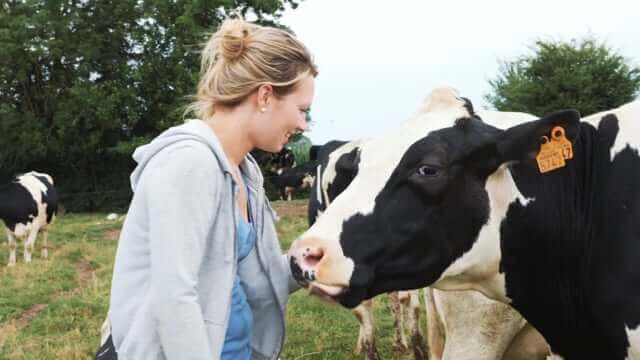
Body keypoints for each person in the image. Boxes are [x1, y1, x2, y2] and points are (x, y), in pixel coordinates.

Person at [96, 18, 317, 360]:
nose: (302, 124)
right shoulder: (190, 163)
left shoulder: (244, 172)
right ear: (264, 96)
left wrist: (301, 266)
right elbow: (175, 297)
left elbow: (243, 276)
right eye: (301, 110)